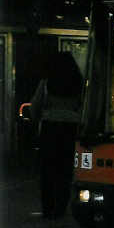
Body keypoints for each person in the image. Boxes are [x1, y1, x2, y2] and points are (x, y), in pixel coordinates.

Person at [29, 52, 83, 218]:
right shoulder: (78, 83)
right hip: (70, 130)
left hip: (50, 129)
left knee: (47, 171)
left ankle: (48, 208)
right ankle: (60, 209)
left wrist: (38, 119)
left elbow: (35, 107)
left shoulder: (46, 83)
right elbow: (83, 107)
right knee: (65, 172)